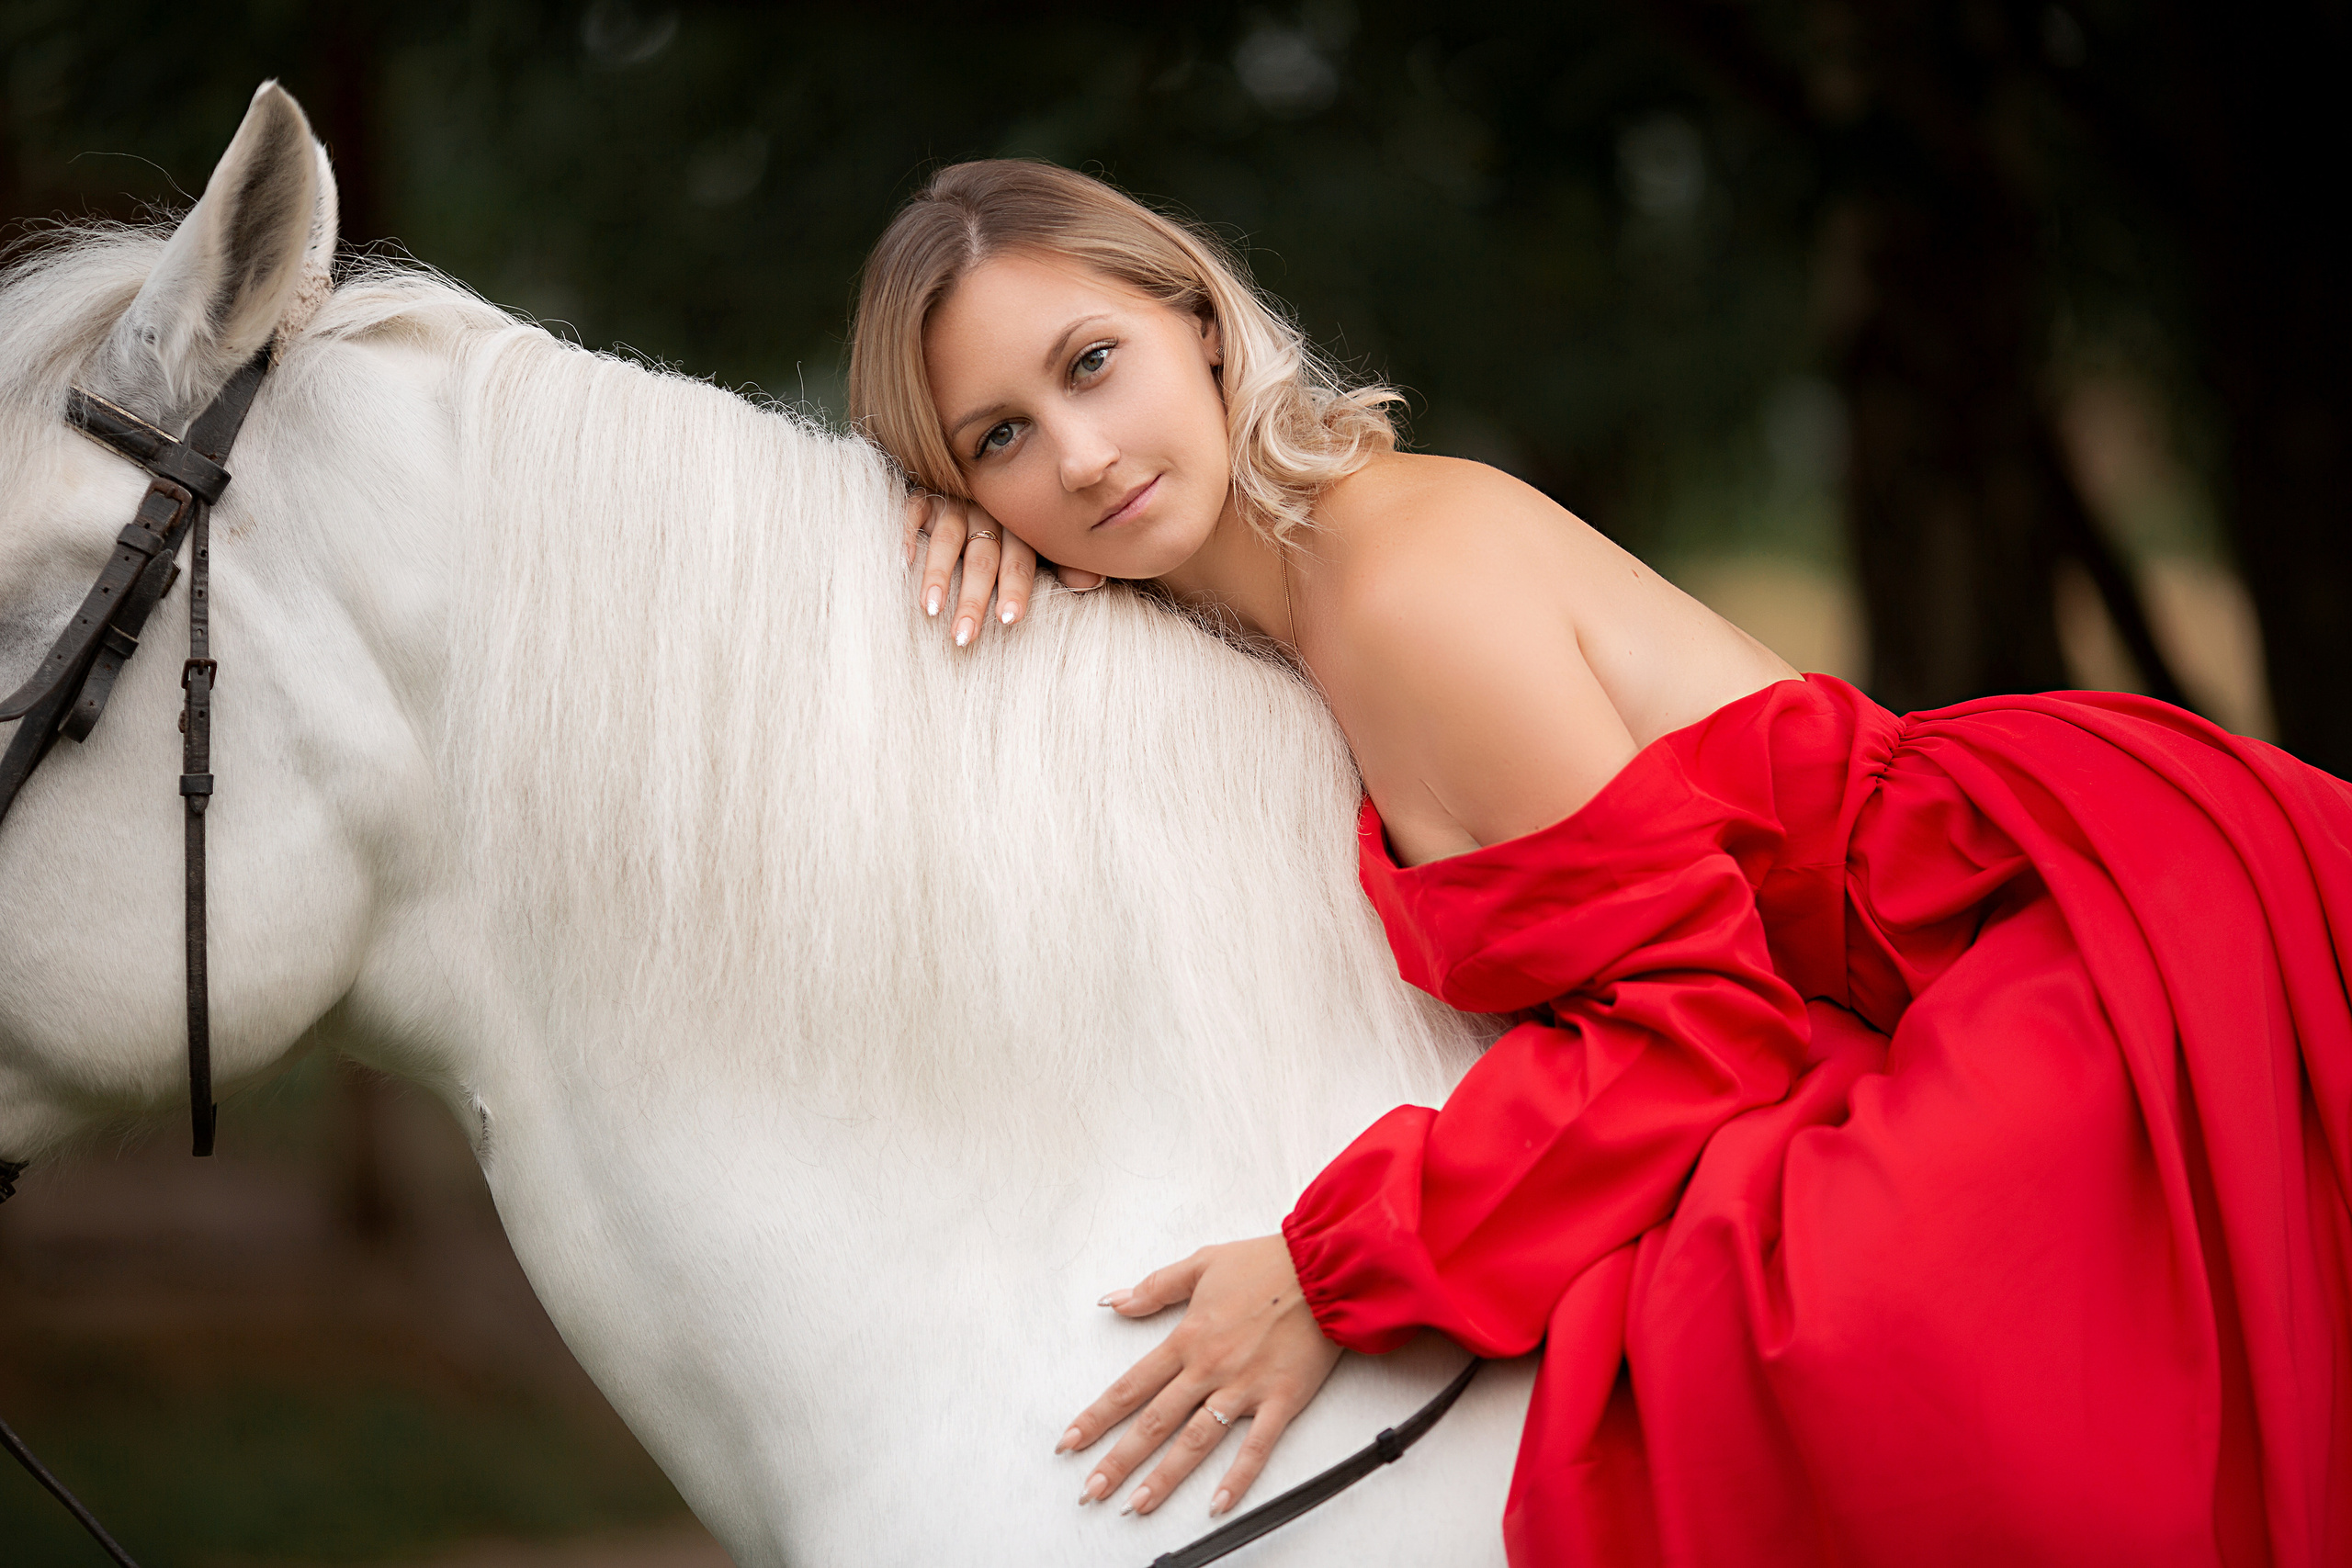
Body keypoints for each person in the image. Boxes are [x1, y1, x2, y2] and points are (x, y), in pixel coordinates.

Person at [846, 160, 2352, 1566]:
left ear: (1196, 321)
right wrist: (947, 543)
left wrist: (1337, 1267)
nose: (1083, 455)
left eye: (1092, 362)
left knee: (1830, 1353)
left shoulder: (1395, 599)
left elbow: (1704, 1018)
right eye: (1002, 438)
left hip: (2020, 942)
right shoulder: (1290, 575)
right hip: (1967, 914)